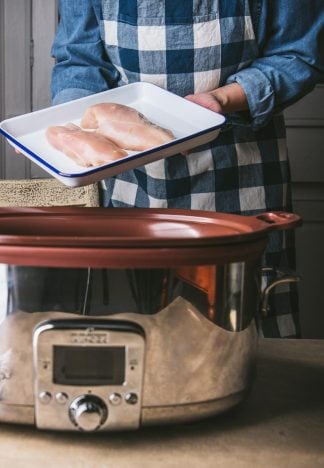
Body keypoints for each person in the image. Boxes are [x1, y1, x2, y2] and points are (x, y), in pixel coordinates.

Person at [50, 0, 324, 338]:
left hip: (241, 174)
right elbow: (79, 60)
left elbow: (297, 56)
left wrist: (223, 100)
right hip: (134, 184)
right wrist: (75, 127)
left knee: (243, 335)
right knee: (139, 333)